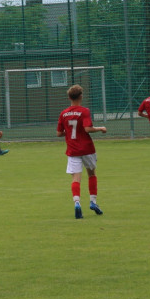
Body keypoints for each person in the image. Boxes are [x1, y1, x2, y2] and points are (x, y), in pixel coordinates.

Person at [56, 84, 107, 219]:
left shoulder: (64, 113)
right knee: (91, 174)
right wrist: (100, 128)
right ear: (81, 97)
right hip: (87, 148)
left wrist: (68, 131)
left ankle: (77, 203)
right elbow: (87, 129)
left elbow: (59, 133)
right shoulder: (84, 111)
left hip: (73, 149)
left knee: (76, 178)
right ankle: (93, 202)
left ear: (69, 98)